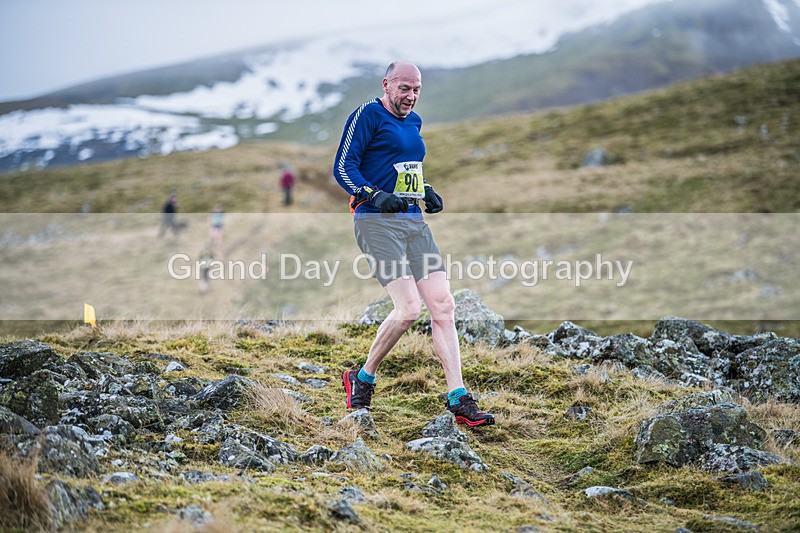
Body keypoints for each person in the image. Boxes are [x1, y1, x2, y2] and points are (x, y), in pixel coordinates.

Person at [332, 60, 495, 427]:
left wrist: (426, 190)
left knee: (443, 305)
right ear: (387, 84)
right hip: (375, 223)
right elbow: (343, 167)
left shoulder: (414, 122)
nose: (410, 96)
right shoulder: (367, 115)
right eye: (404, 88)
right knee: (408, 310)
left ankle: (459, 398)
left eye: (416, 89)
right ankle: (363, 377)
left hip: (412, 222)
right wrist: (373, 194)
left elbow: (405, 169)